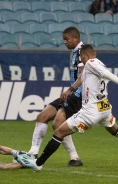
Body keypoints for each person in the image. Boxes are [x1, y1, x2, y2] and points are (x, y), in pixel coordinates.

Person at [26, 44, 118, 171]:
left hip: (90, 112)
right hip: (104, 109)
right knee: (116, 130)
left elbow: (110, 76)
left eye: (80, 57)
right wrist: (71, 89)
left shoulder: (91, 63)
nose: (80, 60)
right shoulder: (97, 64)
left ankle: (37, 164)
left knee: (59, 132)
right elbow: (85, 76)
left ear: (84, 56)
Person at [28, 26, 84, 167]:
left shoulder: (82, 53)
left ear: (76, 38)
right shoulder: (75, 52)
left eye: (67, 39)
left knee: (58, 125)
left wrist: (70, 89)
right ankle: (33, 153)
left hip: (78, 97)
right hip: (71, 95)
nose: (65, 42)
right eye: (63, 39)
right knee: (42, 117)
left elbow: (85, 75)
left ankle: (75, 157)